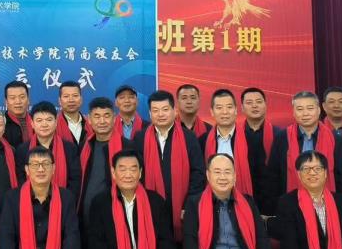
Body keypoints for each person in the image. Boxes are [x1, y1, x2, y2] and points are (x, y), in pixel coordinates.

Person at [265, 92, 342, 217]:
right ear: (293, 112)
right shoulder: (282, 138)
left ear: (318, 110)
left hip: (327, 205)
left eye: (310, 108)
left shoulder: (334, 139)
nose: (305, 113)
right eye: (300, 109)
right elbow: (273, 176)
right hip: (291, 206)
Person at [140, 90, 204, 240]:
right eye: (155, 110)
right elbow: (138, 174)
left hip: (183, 208)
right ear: (149, 114)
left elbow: (198, 173)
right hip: (151, 206)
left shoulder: (189, 137)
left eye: (165, 109)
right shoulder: (140, 138)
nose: (160, 114)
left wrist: (188, 204)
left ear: (174, 111)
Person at [200, 89, 264, 206]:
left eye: (229, 107)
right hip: (212, 203)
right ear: (212, 112)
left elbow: (261, 176)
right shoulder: (203, 141)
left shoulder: (252, 139)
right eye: (219, 108)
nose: (225, 112)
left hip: (246, 201)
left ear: (236, 110)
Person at [78, 97, 132, 224]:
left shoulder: (128, 147)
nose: (102, 121)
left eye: (106, 116)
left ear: (114, 118)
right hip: (85, 217)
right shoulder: (84, 146)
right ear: (89, 119)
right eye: (97, 116)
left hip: (115, 216)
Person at [16, 102, 82, 204]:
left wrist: (64, 202)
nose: (44, 124)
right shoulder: (23, 150)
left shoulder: (69, 148)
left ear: (56, 122)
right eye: (39, 120)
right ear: (32, 123)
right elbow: (21, 179)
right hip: (31, 203)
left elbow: (75, 181)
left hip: (63, 203)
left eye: (49, 120)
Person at [240, 88, 275, 164]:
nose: (254, 106)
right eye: (249, 103)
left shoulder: (279, 134)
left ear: (265, 105)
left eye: (259, 102)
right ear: (242, 108)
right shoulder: (235, 134)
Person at [56, 81, 90, 146]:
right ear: (59, 101)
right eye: (66, 96)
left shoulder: (90, 123)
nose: (71, 100)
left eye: (75, 96)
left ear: (81, 100)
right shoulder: (54, 125)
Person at [3, 82, 33, 148]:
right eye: (12, 98)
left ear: (28, 100)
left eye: (22, 97)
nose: (18, 102)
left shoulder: (36, 121)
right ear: (6, 102)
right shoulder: (1, 124)